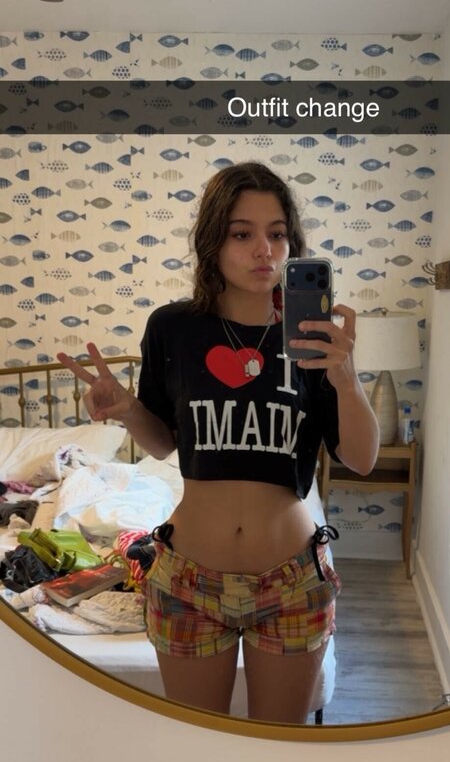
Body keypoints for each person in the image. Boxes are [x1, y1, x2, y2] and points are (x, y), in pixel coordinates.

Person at [57, 162, 379, 723]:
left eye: (277, 233)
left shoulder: (314, 339)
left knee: (277, 751)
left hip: (291, 580)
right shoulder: (173, 328)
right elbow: (163, 445)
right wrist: (128, 410)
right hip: (188, 580)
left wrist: (346, 377)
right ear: (214, 242)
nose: (264, 250)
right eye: (242, 233)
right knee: (198, 749)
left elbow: (362, 458)